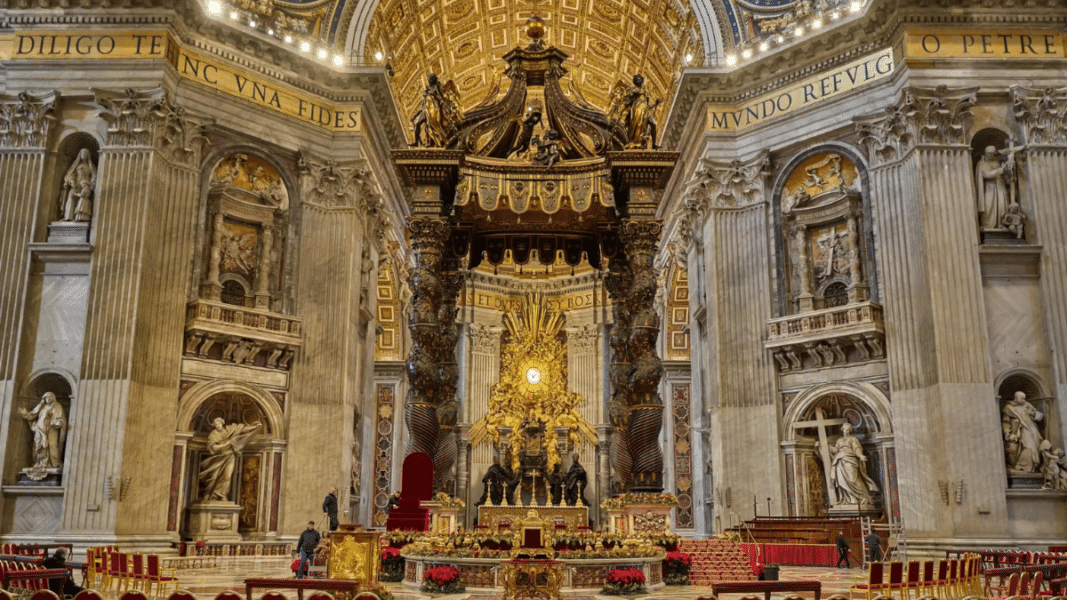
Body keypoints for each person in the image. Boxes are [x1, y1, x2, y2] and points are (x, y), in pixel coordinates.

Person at [198, 418, 261, 501]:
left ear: (222, 423)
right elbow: (214, 447)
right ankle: (210, 494)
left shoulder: (230, 429)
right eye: (216, 424)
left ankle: (221, 495)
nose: (217, 426)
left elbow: (242, 429)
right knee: (213, 477)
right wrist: (227, 444)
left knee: (227, 476)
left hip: (230, 456)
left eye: (218, 424)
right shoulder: (213, 434)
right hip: (218, 457)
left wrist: (254, 427)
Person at [830, 423, 879, 505]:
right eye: (845, 429)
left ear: (850, 431)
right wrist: (828, 447)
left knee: (853, 479)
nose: (846, 431)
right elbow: (836, 449)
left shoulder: (853, 439)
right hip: (840, 461)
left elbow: (857, 448)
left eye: (848, 429)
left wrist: (860, 456)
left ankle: (863, 496)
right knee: (842, 480)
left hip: (850, 459)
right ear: (842, 430)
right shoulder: (839, 440)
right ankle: (849, 499)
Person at [19, 392, 67, 471]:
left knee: (52, 445)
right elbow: (32, 415)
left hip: (52, 429)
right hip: (40, 429)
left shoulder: (57, 406)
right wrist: (26, 414)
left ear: (53, 398)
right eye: (46, 398)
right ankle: (39, 463)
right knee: (38, 446)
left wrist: (59, 422)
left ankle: (55, 464)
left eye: (49, 398)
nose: (47, 399)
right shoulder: (41, 406)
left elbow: (61, 418)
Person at [1002, 391, 1045, 473]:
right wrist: (1007, 432)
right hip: (1021, 429)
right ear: (1016, 398)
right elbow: (1006, 422)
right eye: (1022, 398)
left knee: (1037, 446)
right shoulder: (1009, 408)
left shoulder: (1027, 405)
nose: (1023, 400)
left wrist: (1032, 413)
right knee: (1029, 447)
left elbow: (1039, 415)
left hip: (1033, 428)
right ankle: (1023, 467)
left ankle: (1035, 467)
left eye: (1024, 398)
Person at [622, 74, 661, 149]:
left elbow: (647, 106)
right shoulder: (633, 89)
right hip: (637, 111)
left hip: (645, 111)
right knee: (637, 126)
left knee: (653, 124)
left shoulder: (645, 92)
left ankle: (653, 144)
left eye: (640, 79)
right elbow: (627, 98)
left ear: (642, 81)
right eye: (637, 79)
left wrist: (655, 104)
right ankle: (635, 142)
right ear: (635, 82)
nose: (639, 80)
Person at [975, 145, 1009, 230]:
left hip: (999, 186)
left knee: (1001, 206)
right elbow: (987, 174)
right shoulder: (982, 163)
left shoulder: (996, 162)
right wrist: (1001, 169)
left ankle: (1001, 223)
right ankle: (987, 225)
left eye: (992, 153)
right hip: (988, 188)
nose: (990, 155)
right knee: (989, 207)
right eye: (988, 153)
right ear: (985, 153)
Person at [60, 148, 96, 222]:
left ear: (88, 155)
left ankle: (80, 217)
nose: (84, 155)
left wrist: (91, 184)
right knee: (71, 197)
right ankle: (68, 216)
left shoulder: (90, 166)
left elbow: (94, 175)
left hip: (85, 184)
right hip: (76, 184)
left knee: (82, 200)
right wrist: (72, 181)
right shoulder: (76, 165)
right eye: (82, 154)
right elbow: (71, 174)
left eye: (85, 154)